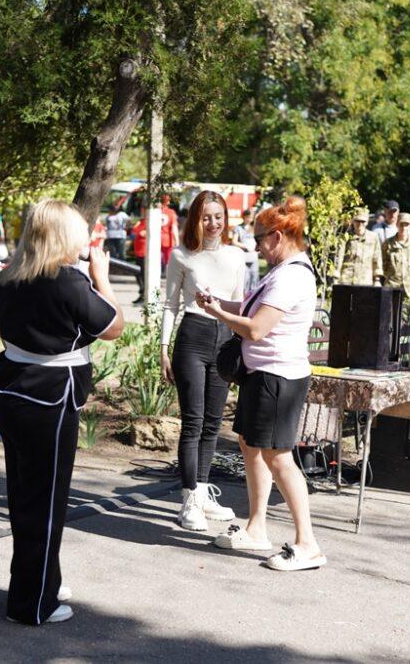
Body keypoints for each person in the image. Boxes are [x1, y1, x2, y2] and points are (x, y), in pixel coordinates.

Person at [0, 199, 124, 625]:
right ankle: (33, 605)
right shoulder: (67, 283)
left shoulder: (7, 277)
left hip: (11, 391)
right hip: (49, 399)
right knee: (45, 505)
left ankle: (40, 580)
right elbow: (114, 326)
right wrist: (102, 279)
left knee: (24, 499)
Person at [197, 196, 325, 571]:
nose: (255, 246)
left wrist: (217, 312)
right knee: (250, 445)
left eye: (259, 238)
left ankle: (308, 544)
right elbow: (251, 311)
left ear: (280, 235)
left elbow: (256, 328)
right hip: (263, 374)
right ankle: (257, 528)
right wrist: (216, 302)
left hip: (278, 377)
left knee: (278, 457)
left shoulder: (293, 275)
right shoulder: (280, 271)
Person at [160, 191, 246, 531]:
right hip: (192, 336)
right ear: (196, 219)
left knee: (213, 423)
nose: (213, 223)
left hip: (224, 337)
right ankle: (189, 499)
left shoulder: (236, 257)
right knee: (193, 422)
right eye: (206, 216)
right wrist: (163, 348)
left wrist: (241, 346)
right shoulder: (182, 255)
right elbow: (170, 305)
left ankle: (203, 491)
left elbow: (238, 304)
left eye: (218, 216)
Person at [382, 212, 410, 307]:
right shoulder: (388, 243)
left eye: (406, 225)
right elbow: (383, 265)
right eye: (401, 224)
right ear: (396, 224)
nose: (404, 228)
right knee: (390, 318)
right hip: (392, 287)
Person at [335, 208, 383, 285]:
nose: (360, 224)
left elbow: (377, 258)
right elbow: (339, 257)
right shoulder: (346, 237)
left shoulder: (373, 237)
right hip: (347, 279)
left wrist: (377, 279)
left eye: (363, 221)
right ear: (353, 221)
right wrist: (336, 276)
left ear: (367, 222)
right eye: (357, 221)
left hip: (365, 280)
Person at [231, 207, 260, 293]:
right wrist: (245, 246)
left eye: (251, 217)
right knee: (245, 280)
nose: (249, 219)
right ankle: (244, 301)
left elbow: (258, 240)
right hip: (243, 258)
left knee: (254, 279)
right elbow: (234, 242)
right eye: (247, 217)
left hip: (254, 257)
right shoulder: (238, 228)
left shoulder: (254, 227)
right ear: (243, 217)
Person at [159, 194, 179, 269]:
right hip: (167, 240)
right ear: (167, 202)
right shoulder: (171, 212)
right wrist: (177, 242)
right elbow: (174, 228)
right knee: (168, 261)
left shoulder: (154, 211)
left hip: (156, 239)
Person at [130, 216, 148, 304]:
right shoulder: (142, 221)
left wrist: (137, 230)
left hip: (144, 253)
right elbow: (134, 232)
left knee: (143, 275)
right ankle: (142, 294)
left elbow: (142, 233)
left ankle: (144, 296)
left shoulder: (149, 220)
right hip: (139, 252)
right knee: (138, 274)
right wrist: (136, 228)